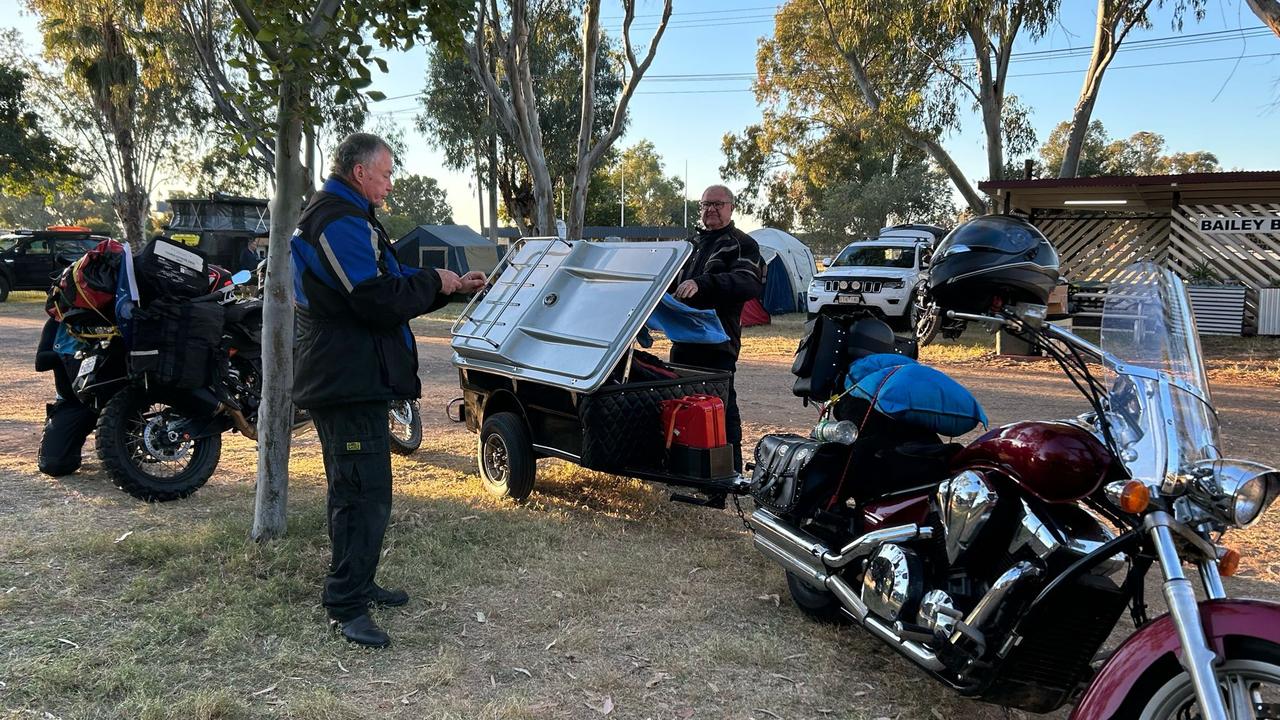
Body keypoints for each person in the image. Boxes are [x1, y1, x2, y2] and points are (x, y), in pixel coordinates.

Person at [290, 133, 485, 648]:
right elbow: (374, 298)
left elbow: (393, 277)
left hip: (357, 378)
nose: (391, 185)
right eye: (387, 174)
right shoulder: (337, 221)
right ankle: (346, 603)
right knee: (361, 494)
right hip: (345, 381)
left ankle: (359, 580)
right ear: (360, 172)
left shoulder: (352, 217)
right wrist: (435, 284)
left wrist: (449, 284)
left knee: (358, 488)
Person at [669, 184, 765, 476]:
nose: (711, 209)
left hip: (718, 343)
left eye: (718, 204)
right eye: (706, 204)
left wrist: (704, 284)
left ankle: (728, 474)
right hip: (683, 340)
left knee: (720, 409)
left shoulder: (742, 244)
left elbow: (748, 283)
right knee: (681, 404)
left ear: (731, 207)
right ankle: (684, 468)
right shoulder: (691, 245)